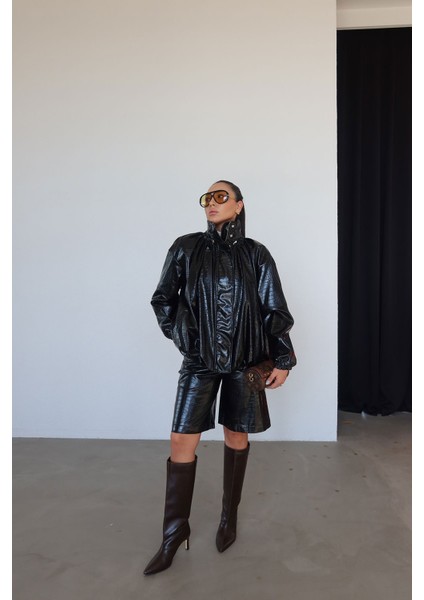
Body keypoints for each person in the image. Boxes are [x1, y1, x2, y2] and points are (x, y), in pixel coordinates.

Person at [144, 180, 296, 575]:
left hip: (246, 361)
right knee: (182, 438)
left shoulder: (256, 253)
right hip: (200, 360)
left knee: (236, 435)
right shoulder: (186, 247)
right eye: (207, 198)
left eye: (221, 196)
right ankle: (174, 532)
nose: (211, 203)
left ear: (239, 205)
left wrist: (283, 357)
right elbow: (163, 299)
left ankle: (229, 517)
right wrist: (185, 336)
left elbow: (274, 308)